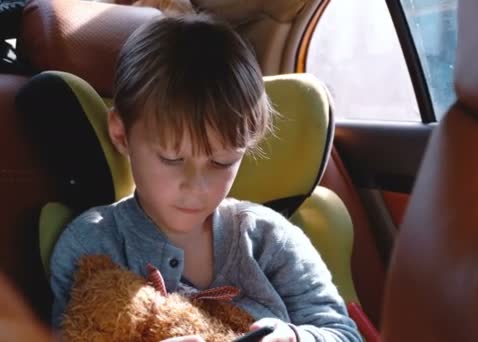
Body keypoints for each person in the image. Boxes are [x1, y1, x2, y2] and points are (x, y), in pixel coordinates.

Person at [49, 13, 362, 342]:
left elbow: (344, 334)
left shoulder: (269, 239)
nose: (197, 186)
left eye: (221, 161)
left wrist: (295, 338)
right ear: (122, 135)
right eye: (172, 158)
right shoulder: (91, 245)